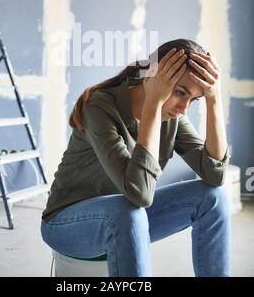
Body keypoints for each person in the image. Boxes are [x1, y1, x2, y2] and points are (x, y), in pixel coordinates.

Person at [40, 38, 231, 277]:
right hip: (65, 224)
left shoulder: (172, 116)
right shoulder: (99, 106)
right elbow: (139, 194)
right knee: (127, 212)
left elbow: (217, 175)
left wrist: (214, 99)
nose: (184, 108)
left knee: (213, 197)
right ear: (151, 78)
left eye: (193, 99)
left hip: (127, 216)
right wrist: (154, 102)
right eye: (180, 92)